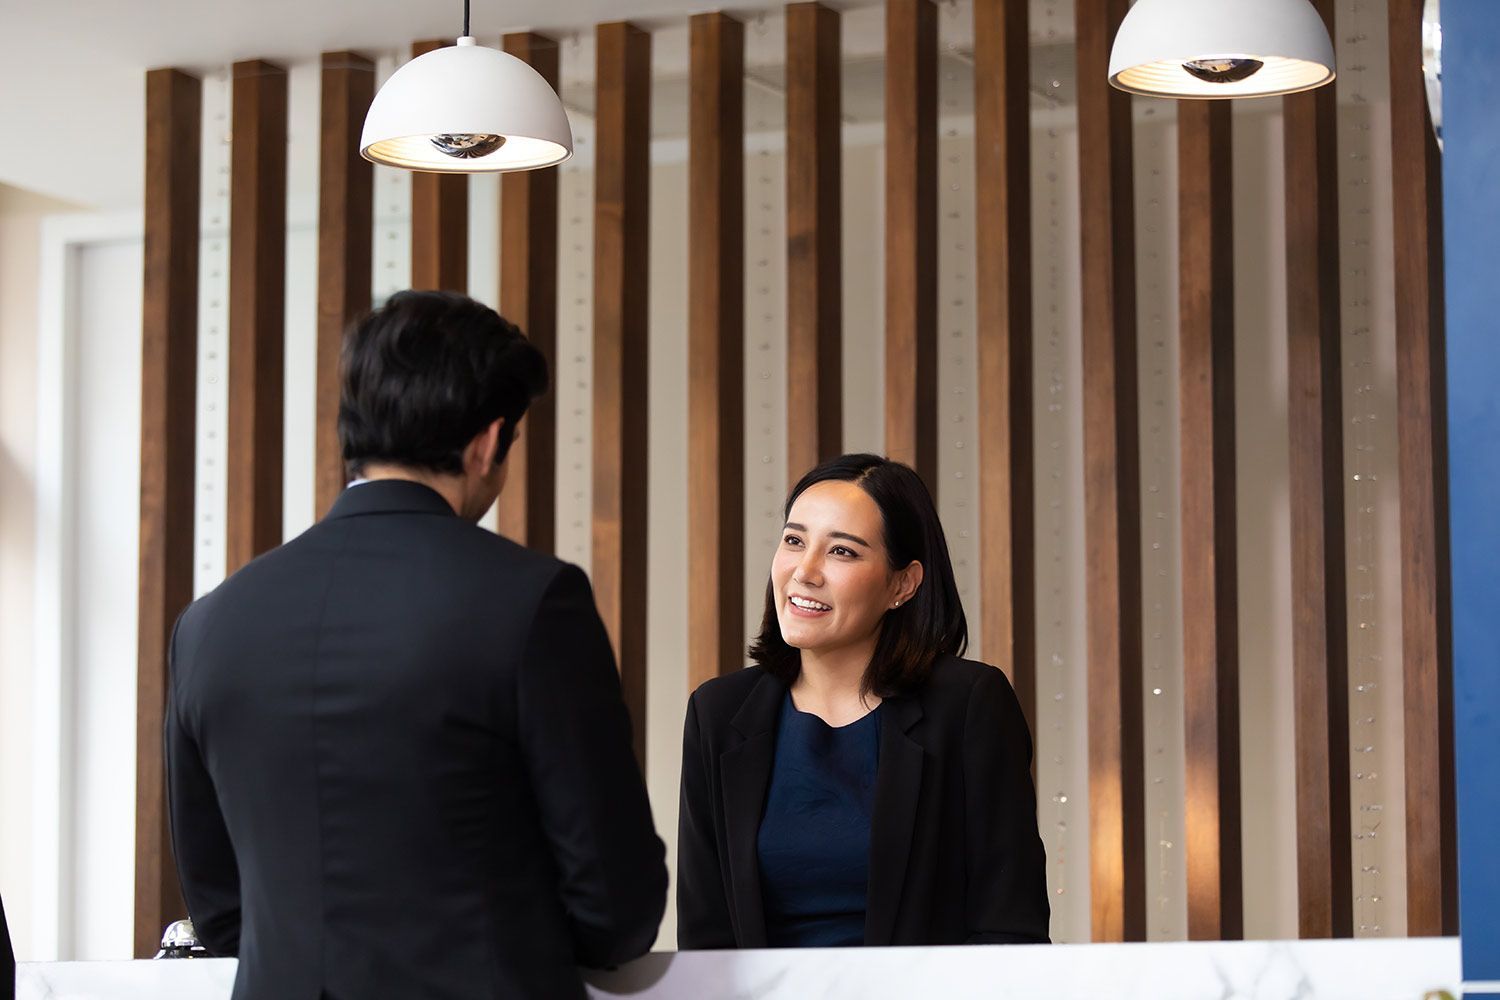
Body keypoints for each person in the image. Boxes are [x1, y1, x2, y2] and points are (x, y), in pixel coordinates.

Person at [167, 290, 666, 1000]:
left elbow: (220, 910)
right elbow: (615, 904)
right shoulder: (531, 601)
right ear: (490, 441)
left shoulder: (209, 624)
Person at [677, 454, 1049, 949]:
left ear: (903, 584)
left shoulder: (968, 705)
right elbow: (707, 938)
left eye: (843, 553)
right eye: (794, 540)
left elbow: (1008, 926)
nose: (805, 572)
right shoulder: (718, 713)